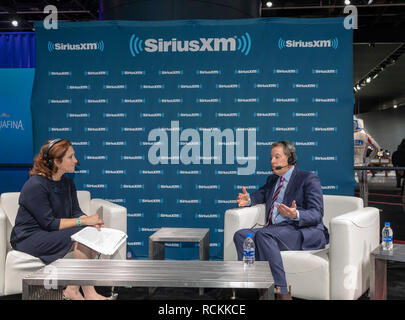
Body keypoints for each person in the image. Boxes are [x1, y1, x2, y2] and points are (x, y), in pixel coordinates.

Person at [10, 138, 111, 300]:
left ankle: (72, 289)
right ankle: (89, 293)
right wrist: (83, 222)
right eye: (71, 157)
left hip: (50, 232)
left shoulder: (68, 183)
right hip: (29, 237)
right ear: (56, 162)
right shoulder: (35, 185)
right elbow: (49, 222)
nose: (76, 161)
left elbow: (76, 212)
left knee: (90, 233)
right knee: (83, 236)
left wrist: (92, 222)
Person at [233, 141, 329, 300]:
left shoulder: (308, 178)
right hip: (275, 230)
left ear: (290, 159)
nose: (272, 161)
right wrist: (248, 199)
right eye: (271, 157)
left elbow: (317, 213)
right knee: (241, 235)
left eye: (277, 157)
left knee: (264, 235)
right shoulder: (272, 180)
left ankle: (282, 291)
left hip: (299, 230)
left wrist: (295, 214)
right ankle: (259, 287)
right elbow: (262, 194)